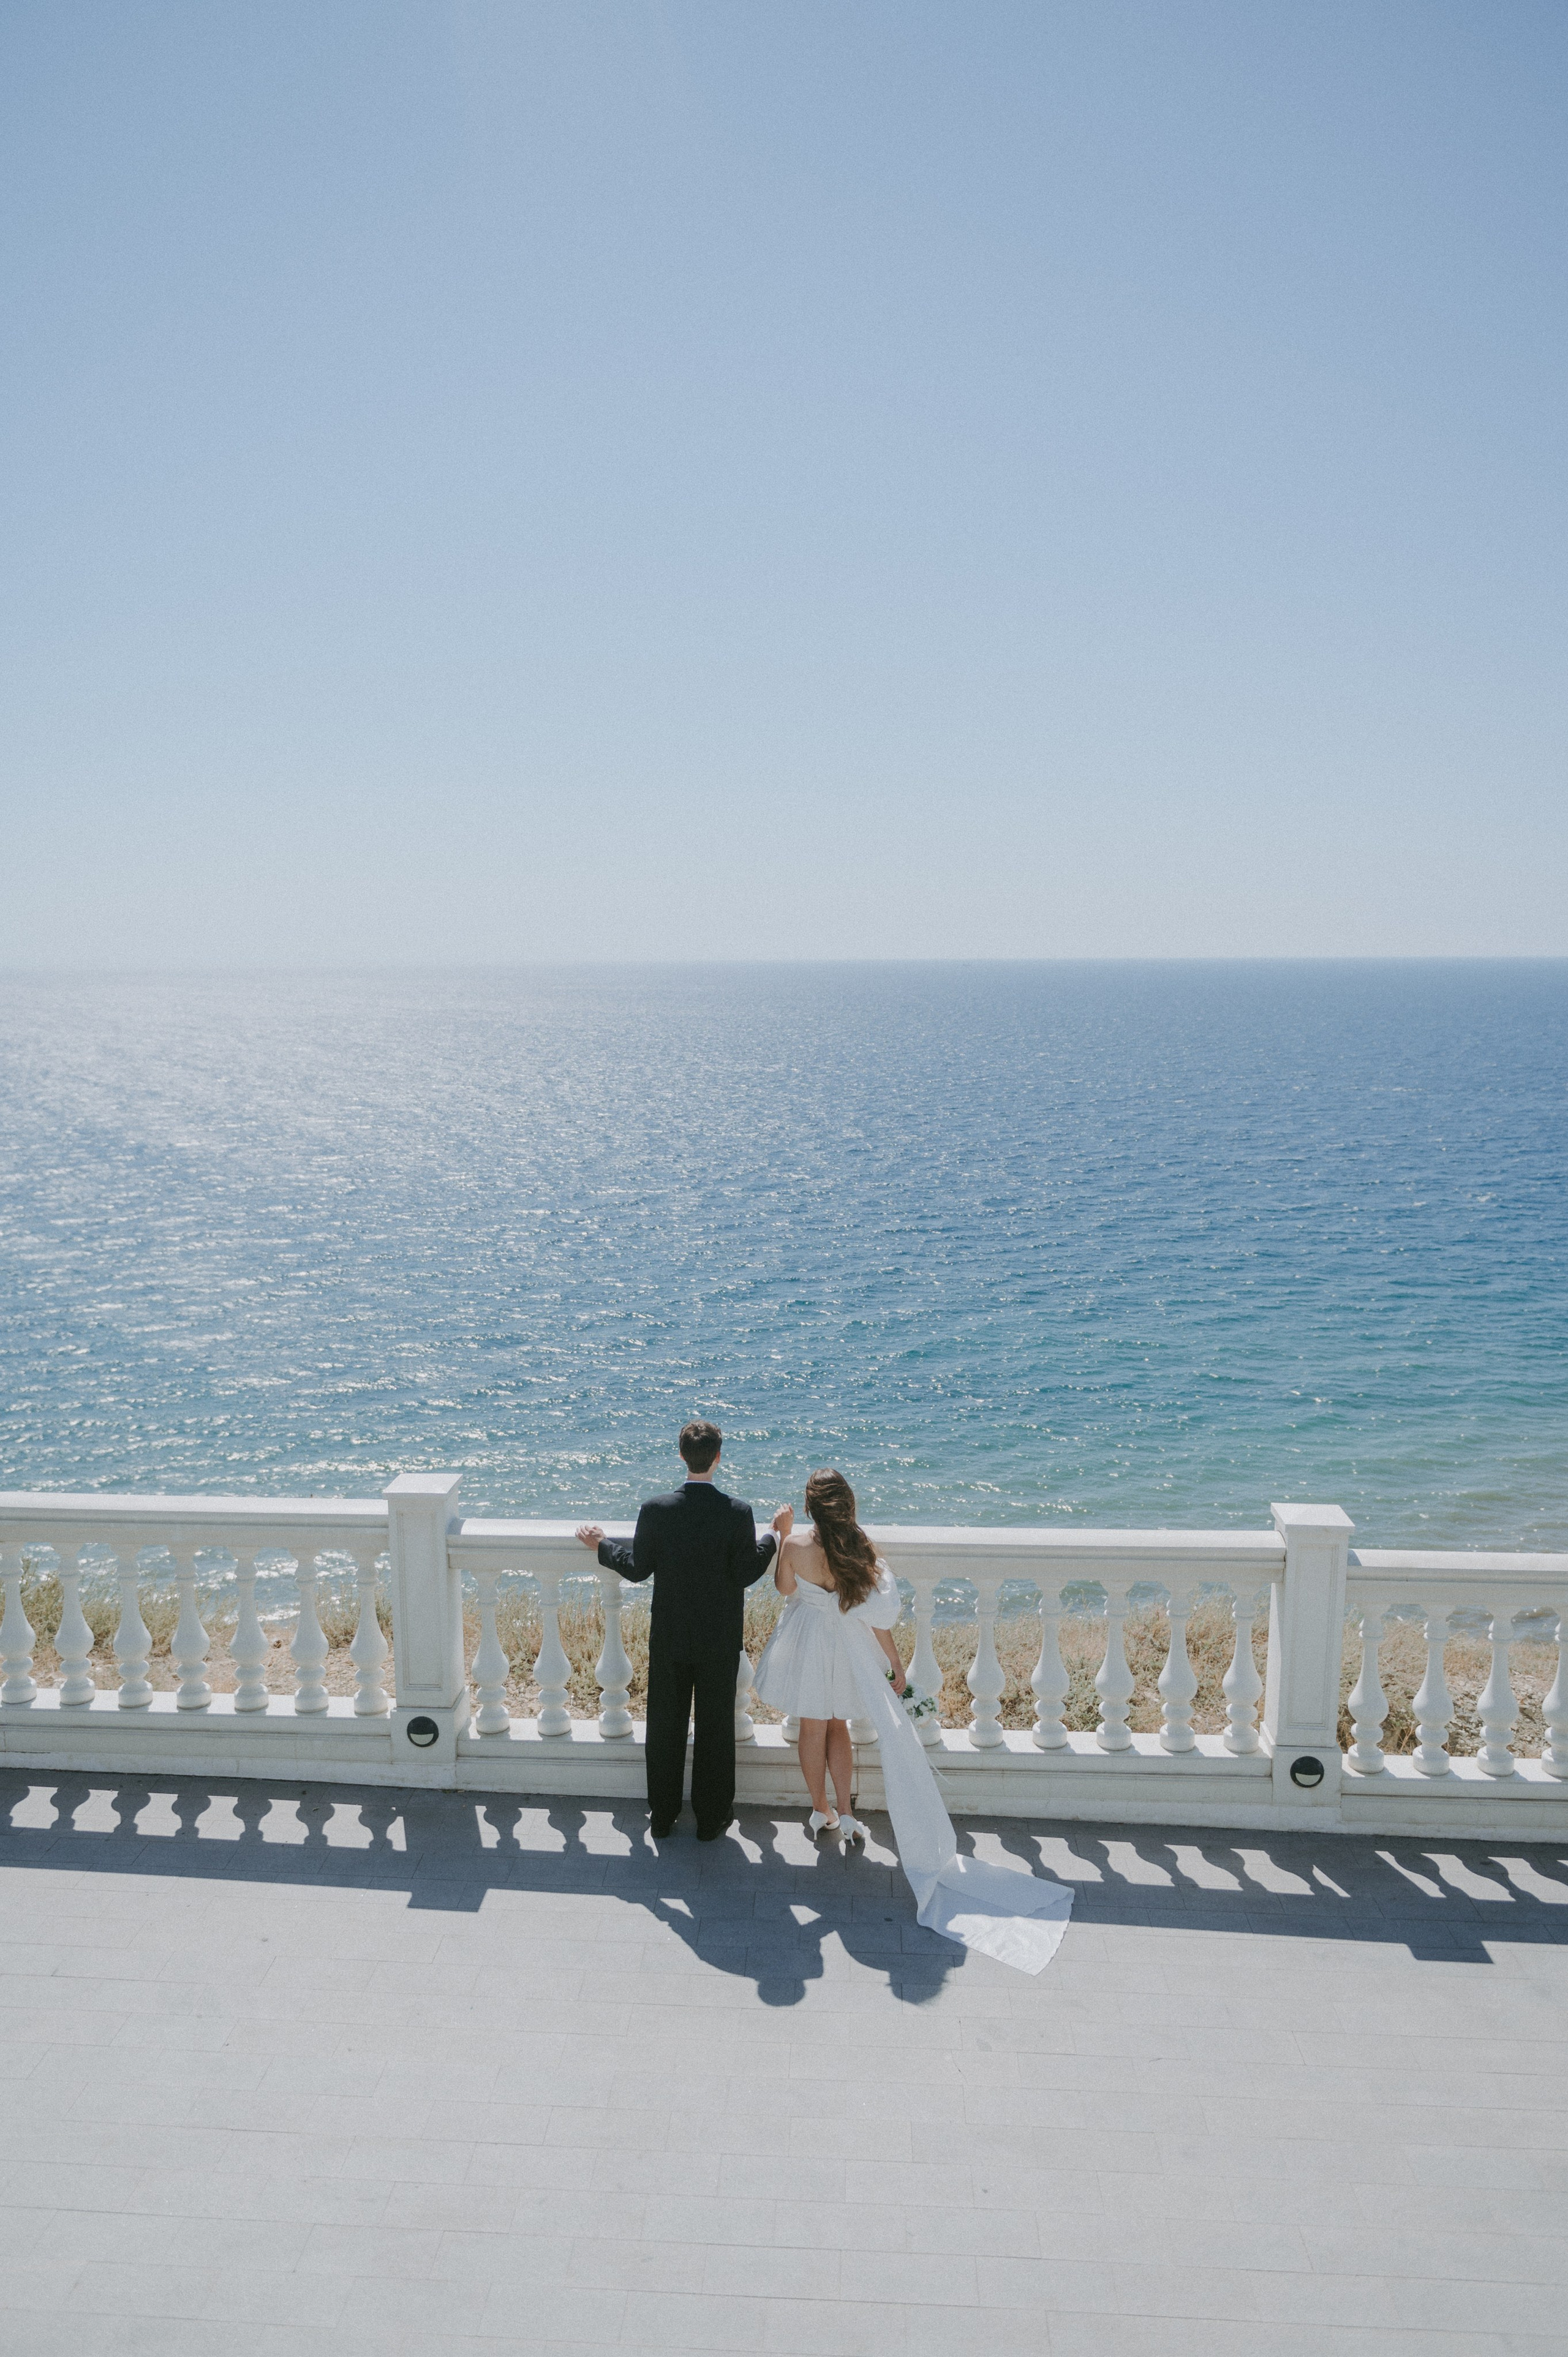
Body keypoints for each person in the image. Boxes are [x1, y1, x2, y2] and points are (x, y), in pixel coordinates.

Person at [752, 1467, 1076, 1974]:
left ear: (811, 1507)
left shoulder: (794, 1544)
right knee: (839, 1727)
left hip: (809, 1642)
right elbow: (876, 1613)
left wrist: (781, 1532)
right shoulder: (861, 1548)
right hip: (851, 1646)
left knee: (813, 1727)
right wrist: (895, 1662)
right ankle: (847, 1810)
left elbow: (785, 1590)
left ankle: (822, 1813)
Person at [576, 1419, 778, 1841]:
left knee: (665, 1724)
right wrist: (773, 1539)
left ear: (681, 1455)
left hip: (670, 1636)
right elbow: (745, 1572)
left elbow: (637, 1568)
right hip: (719, 1638)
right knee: (715, 1728)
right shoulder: (738, 1513)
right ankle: (711, 1818)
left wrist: (602, 1545)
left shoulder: (656, 1510)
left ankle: (664, 1815)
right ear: (718, 1458)